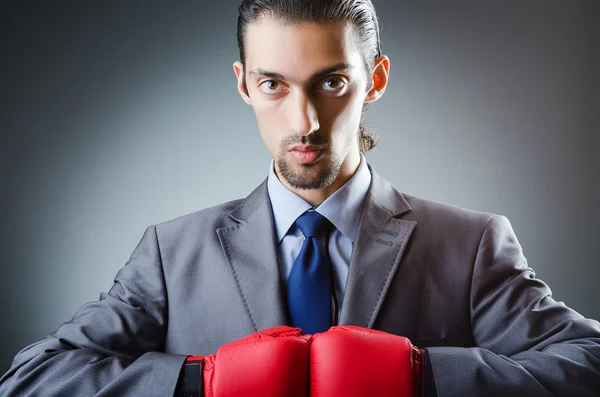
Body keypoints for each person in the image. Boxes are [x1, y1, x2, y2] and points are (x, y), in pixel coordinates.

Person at [1, 0, 599, 396]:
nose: (305, 120)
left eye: (331, 82)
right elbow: (32, 377)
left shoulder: (469, 245)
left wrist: (424, 376)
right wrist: (200, 384)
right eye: (273, 85)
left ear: (376, 79)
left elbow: (587, 362)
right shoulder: (169, 252)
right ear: (243, 85)